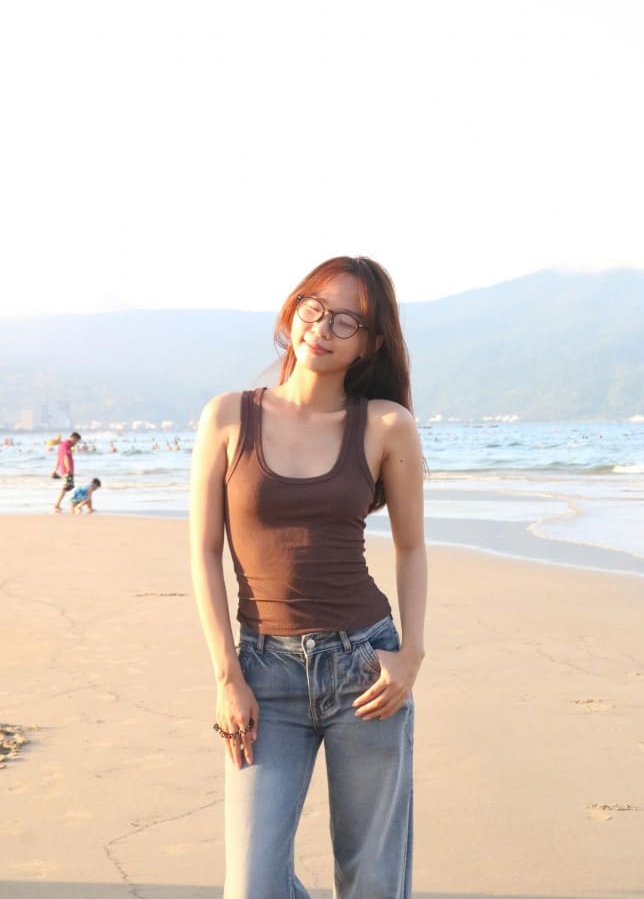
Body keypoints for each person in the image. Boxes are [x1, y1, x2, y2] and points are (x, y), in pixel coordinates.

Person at [190, 256, 427, 898]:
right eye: (313, 307)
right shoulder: (228, 417)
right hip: (263, 673)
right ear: (293, 310)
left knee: (372, 880)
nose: (322, 327)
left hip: (365, 668)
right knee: (252, 885)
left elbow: (411, 547)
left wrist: (411, 655)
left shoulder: (385, 425)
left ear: (370, 343)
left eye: (347, 320)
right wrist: (227, 677)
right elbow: (204, 552)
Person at [52, 431, 81, 512]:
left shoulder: (62, 445)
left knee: (69, 486)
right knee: (67, 486)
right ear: (73, 438)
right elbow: (66, 457)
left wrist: (55, 469)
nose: (76, 443)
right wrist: (69, 469)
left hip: (64, 470)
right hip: (67, 470)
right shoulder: (66, 445)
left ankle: (58, 504)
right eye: (76, 441)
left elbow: (58, 458)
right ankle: (57, 504)